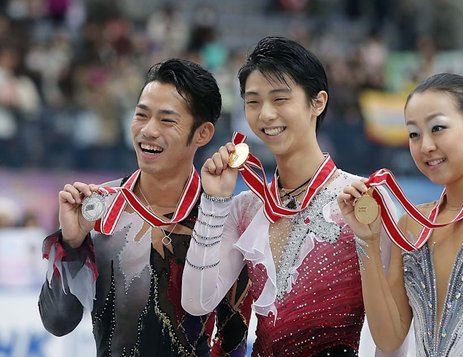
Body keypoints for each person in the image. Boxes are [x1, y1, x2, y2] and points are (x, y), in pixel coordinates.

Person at [181, 36, 398, 356]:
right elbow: (197, 301)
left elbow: (391, 339)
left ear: (318, 102)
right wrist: (215, 201)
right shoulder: (246, 208)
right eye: (253, 101)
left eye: (280, 99)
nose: (265, 114)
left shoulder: (362, 199)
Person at [38, 58, 251, 356]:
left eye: (166, 120)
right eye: (141, 115)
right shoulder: (99, 208)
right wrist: (72, 243)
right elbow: (57, 322)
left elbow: (233, 340)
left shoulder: (220, 217)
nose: (148, 131)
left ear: (202, 133)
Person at [337, 73, 463, 356]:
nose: (426, 146)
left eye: (438, 128)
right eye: (414, 134)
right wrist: (367, 241)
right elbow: (388, 338)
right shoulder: (410, 226)